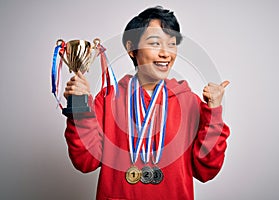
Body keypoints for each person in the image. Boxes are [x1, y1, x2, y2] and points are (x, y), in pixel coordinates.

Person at [63, 6, 230, 200]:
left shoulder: (189, 101)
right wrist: (80, 107)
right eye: (155, 43)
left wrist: (214, 111)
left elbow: (206, 171)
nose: (165, 53)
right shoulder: (109, 98)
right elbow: (85, 162)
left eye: (172, 44)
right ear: (131, 49)